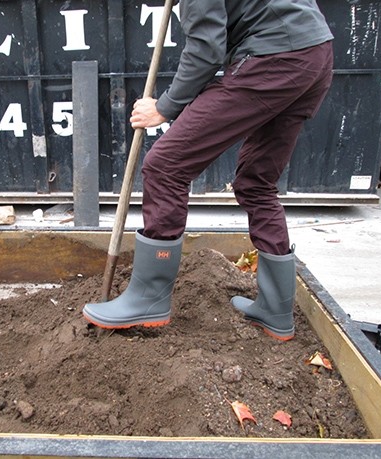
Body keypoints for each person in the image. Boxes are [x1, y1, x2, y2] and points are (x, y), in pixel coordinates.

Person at [83, 0, 334, 341]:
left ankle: (148, 298)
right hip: (315, 54)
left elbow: (206, 49)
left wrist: (164, 107)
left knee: (165, 166)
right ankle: (275, 310)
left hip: (276, 58)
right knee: (257, 183)